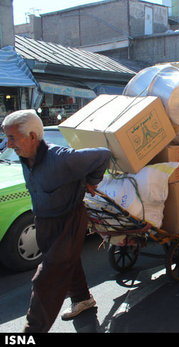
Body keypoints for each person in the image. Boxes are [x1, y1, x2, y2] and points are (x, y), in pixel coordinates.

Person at [2, 110, 111, 333]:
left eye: (12, 137)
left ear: (32, 136)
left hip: (68, 221)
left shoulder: (61, 158)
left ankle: (31, 333)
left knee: (46, 279)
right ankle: (83, 299)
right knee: (66, 262)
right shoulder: (24, 155)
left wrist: (91, 181)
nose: (8, 143)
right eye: (6, 137)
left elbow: (103, 155)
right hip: (43, 220)